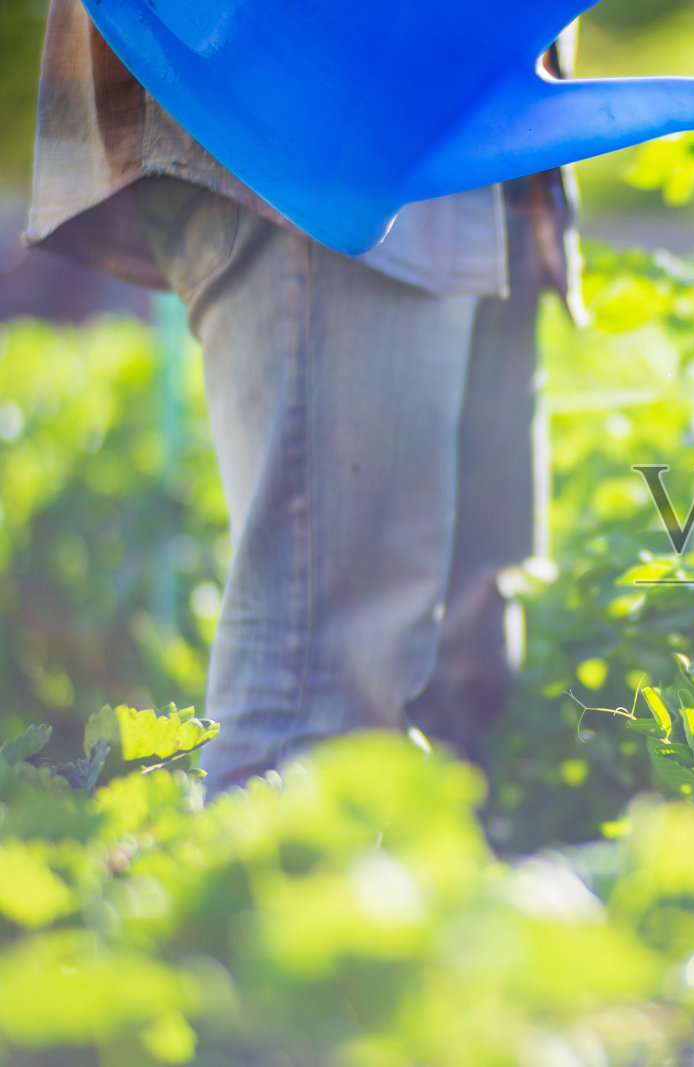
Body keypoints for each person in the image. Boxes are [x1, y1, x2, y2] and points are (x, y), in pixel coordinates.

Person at [26, 0, 577, 789]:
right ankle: (268, 901)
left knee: (460, 666)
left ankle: (424, 903)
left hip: (489, 115)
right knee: (320, 697)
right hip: (311, 92)